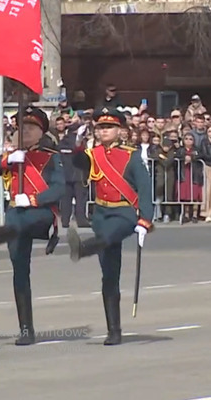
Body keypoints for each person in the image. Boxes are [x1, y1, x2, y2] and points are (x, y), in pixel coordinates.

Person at [0, 106, 65, 346]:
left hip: (42, 214)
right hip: (17, 214)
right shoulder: (14, 156)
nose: (24, 131)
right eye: (20, 127)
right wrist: (5, 160)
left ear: (41, 132)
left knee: (20, 219)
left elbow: (59, 188)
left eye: (30, 127)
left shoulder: (50, 156)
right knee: (19, 272)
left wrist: (35, 199)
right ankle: (26, 328)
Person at [69, 107, 153, 346]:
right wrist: (79, 139)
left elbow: (145, 188)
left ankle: (83, 249)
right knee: (109, 274)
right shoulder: (92, 153)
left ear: (120, 130)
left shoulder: (131, 155)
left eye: (109, 127)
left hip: (124, 212)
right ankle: (113, 330)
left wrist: (145, 219)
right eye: (101, 127)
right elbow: (77, 161)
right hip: (102, 212)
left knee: (108, 236)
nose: (104, 131)